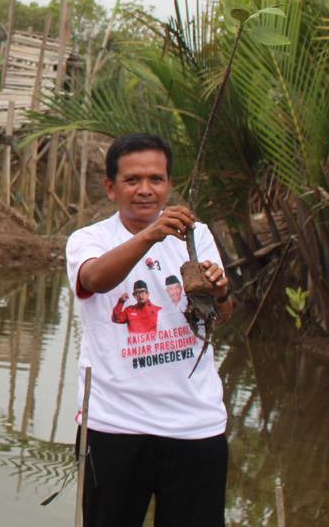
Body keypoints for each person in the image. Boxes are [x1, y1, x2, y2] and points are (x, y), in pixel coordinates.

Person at [66, 133, 233, 527]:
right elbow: (94, 279)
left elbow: (221, 315)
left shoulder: (198, 235)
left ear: (169, 184)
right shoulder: (88, 239)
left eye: (156, 179)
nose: (146, 190)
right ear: (111, 188)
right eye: (133, 180)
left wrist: (221, 292)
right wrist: (150, 235)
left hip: (196, 424)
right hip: (115, 425)